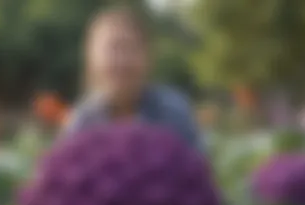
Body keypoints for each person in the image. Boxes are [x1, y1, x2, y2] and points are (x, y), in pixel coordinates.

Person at [65, 5, 203, 151]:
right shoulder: (83, 121)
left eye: (130, 48)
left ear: (148, 57)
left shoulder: (175, 113)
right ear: (91, 59)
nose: (122, 61)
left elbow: (197, 170)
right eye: (113, 48)